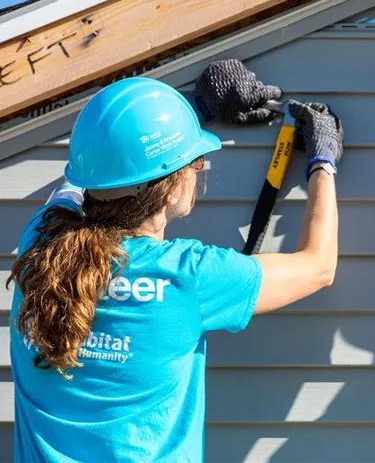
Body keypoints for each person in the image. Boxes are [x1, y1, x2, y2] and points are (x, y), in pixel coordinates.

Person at [7, 72, 344, 462]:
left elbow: (93, 174)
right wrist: (323, 160)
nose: (202, 167)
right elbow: (319, 265)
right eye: (194, 160)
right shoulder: (188, 276)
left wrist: (188, 117)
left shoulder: (37, 243)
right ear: (168, 188)